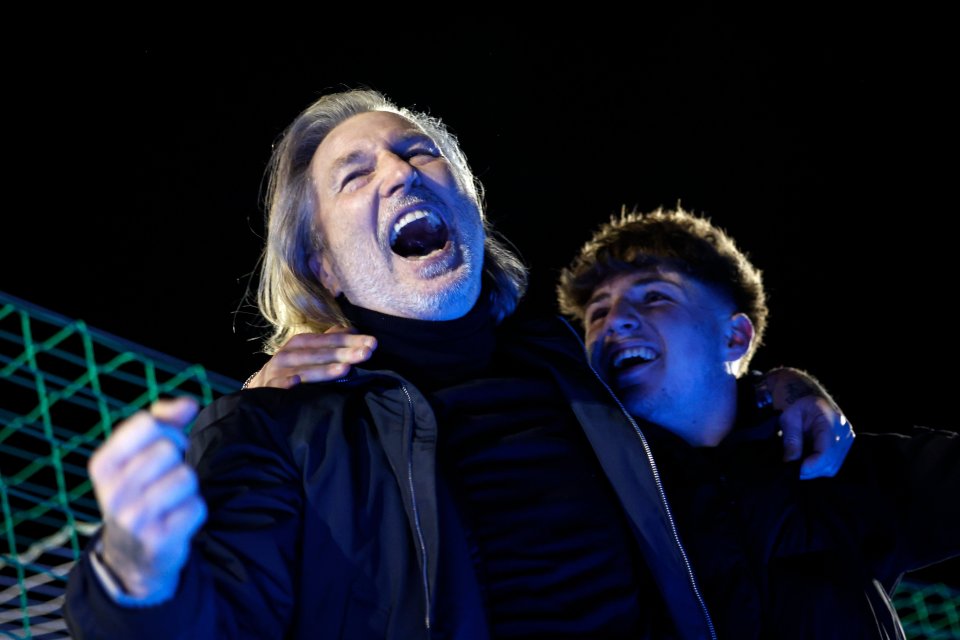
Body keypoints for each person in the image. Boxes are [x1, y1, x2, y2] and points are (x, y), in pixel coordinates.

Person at [63, 89, 853, 640]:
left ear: (471, 209)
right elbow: (215, 620)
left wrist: (776, 389)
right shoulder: (276, 429)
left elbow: (715, 444)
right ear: (324, 267)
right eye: (356, 174)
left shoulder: (584, 375)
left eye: (419, 154)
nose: (401, 172)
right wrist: (136, 573)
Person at [554, 206, 960, 639]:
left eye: (655, 295)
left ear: (734, 337)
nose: (615, 321)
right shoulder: (570, 495)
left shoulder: (829, 471)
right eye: (597, 313)